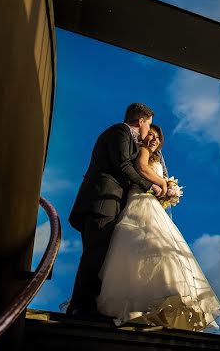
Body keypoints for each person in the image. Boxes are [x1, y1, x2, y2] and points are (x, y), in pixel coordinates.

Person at [96, 124, 220, 330]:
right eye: (151, 135)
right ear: (144, 137)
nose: (153, 139)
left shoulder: (157, 159)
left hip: (152, 202)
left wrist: (166, 188)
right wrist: (165, 185)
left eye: (157, 137)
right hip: (140, 201)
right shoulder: (143, 151)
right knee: (147, 244)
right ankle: (145, 302)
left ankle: (156, 301)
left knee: (160, 249)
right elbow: (142, 169)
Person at [67, 103, 165, 316]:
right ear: (141, 122)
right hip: (101, 202)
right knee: (94, 254)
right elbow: (122, 165)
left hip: (108, 203)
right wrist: (150, 186)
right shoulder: (120, 131)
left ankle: (84, 305)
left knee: (98, 254)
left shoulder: (128, 138)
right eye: (148, 126)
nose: (149, 131)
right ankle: (81, 307)